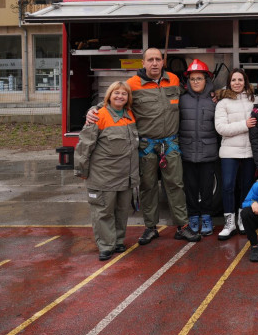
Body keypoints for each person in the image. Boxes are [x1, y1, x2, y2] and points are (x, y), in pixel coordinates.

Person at [85, 48, 201, 245]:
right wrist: (93, 109)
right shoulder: (132, 85)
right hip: (146, 146)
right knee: (148, 187)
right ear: (143, 63)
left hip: (170, 144)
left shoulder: (173, 79)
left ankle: (182, 226)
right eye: (150, 60)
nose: (154, 63)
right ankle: (150, 227)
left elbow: (193, 93)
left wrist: (215, 95)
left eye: (157, 59)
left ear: (163, 62)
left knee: (176, 186)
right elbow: (115, 100)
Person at [75, 81, 139, 260]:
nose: (120, 96)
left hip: (124, 177)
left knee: (121, 211)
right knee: (103, 212)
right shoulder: (98, 115)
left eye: (123, 94)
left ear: (128, 98)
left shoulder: (130, 115)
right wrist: (82, 171)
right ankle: (105, 246)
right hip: (103, 176)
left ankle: (118, 241)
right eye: (116, 93)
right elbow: (84, 145)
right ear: (109, 96)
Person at [215, 68, 258, 240]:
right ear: (229, 83)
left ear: (245, 82)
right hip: (229, 151)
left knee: (246, 186)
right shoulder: (222, 103)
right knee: (227, 186)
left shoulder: (254, 100)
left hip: (249, 151)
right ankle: (229, 223)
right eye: (234, 80)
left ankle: (241, 219)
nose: (237, 83)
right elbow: (221, 128)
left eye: (240, 80)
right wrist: (245, 125)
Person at [179, 59, 219, 237]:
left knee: (207, 187)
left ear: (206, 80)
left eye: (199, 78)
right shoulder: (181, 100)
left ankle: (207, 217)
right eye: (192, 79)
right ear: (188, 81)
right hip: (186, 152)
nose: (196, 82)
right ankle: (194, 216)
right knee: (190, 187)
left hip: (208, 153)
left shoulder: (215, 101)